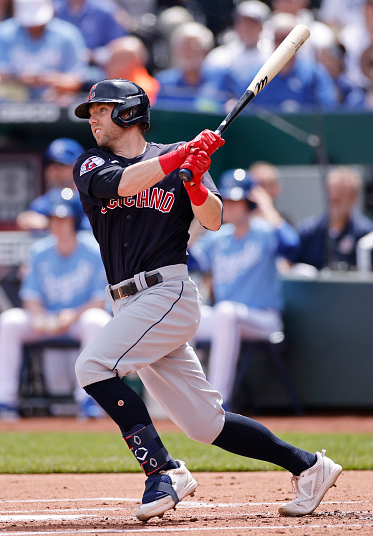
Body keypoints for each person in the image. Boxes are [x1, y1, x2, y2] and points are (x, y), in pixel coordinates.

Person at [70, 76, 342, 523]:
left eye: (101, 110)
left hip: (168, 291)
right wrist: (181, 157)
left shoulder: (176, 157)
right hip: (128, 302)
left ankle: (162, 471)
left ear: (128, 112)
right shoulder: (91, 162)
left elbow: (212, 219)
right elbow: (117, 185)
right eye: (93, 112)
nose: (94, 118)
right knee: (204, 424)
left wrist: (195, 180)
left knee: (92, 366)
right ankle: (309, 466)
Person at [0, 188, 112, 420]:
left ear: (75, 221)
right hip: (47, 320)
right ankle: (3, 400)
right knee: (10, 321)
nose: (56, 224)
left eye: (62, 219)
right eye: (52, 218)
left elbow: (100, 300)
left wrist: (72, 315)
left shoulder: (93, 248)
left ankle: (90, 401)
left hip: (78, 320)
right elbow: (31, 296)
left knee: (97, 320)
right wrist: (39, 317)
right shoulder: (40, 250)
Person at [189, 168, 299, 409]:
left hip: (264, 318)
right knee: (185, 317)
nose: (229, 205)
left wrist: (267, 207)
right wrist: (201, 215)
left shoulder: (264, 231)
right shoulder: (219, 237)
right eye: (225, 199)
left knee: (226, 312)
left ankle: (218, 403)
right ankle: (191, 400)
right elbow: (185, 259)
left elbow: (292, 245)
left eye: (236, 200)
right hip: (227, 319)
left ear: (249, 202)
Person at [0, 0, 87, 103]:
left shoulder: (68, 34)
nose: (34, 26)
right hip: (10, 101)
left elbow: (76, 80)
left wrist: (49, 79)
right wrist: (20, 79)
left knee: (67, 100)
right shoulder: (3, 34)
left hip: (54, 99)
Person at [244, 12, 339, 112]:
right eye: (278, 40)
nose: (282, 45)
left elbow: (328, 107)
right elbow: (244, 109)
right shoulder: (257, 74)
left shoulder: (313, 73)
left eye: (286, 39)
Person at [292, 166, 373, 271]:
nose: (334, 196)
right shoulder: (308, 230)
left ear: (354, 197)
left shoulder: (366, 233)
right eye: (330, 190)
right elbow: (286, 265)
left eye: (341, 191)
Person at [154, 21, 237, 112]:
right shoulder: (164, 81)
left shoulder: (223, 77)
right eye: (183, 45)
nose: (188, 51)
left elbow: (241, 105)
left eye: (194, 45)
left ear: (206, 50)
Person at [16, 137, 89, 232]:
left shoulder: (95, 197)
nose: (53, 170)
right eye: (50, 164)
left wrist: (50, 223)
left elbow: (90, 229)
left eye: (61, 165)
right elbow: (27, 221)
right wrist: (25, 219)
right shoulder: (44, 202)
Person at [203, 0, 272, 84]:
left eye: (252, 24)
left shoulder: (272, 53)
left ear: (261, 27)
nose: (246, 28)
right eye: (242, 23)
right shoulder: (221, 55)